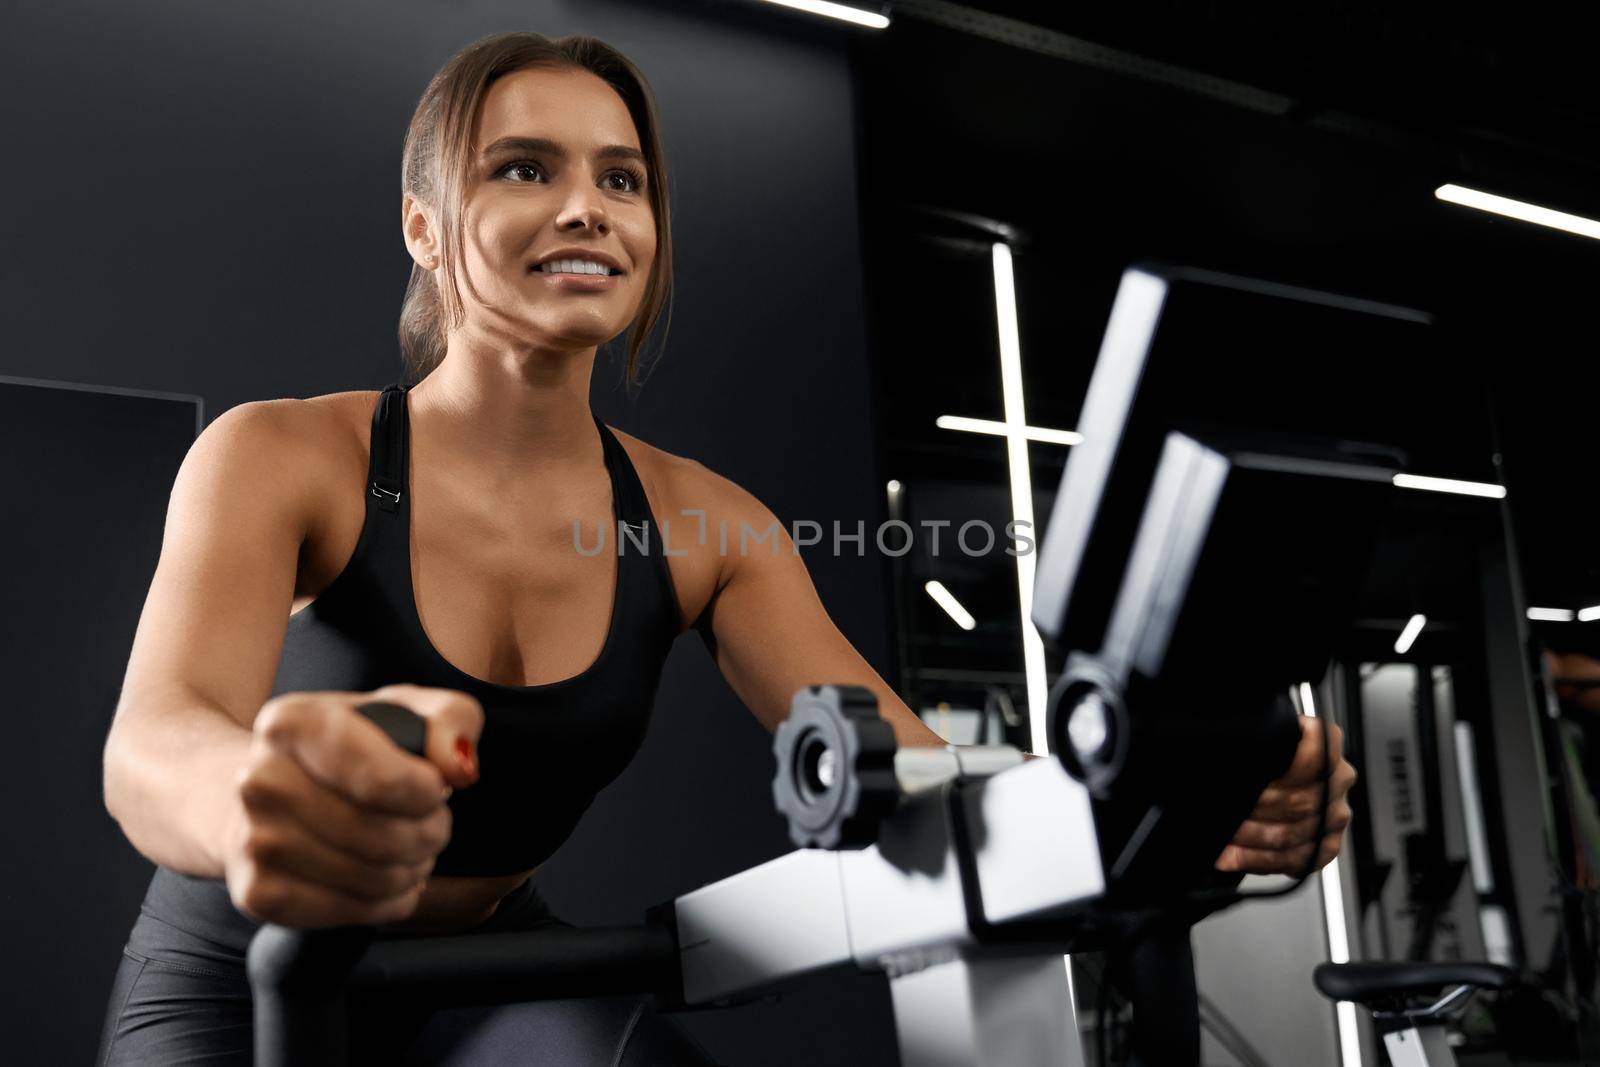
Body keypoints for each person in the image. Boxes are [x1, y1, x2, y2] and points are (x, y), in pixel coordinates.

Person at [94, 30, 1357, 1065]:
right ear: (425, 226)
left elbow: (912, 776)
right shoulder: (287, 456)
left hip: (484, 974)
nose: (585, 205)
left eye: (622, 178)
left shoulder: (708, 523)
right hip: (236, 969)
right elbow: (152, 743)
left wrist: (1174, 791)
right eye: (523, 169)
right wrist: (259, 797)